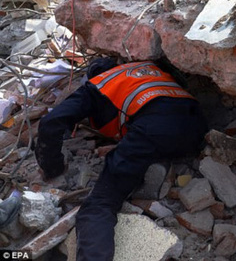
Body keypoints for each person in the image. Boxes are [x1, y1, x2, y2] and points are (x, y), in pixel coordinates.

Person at [35, 59, 208, 261]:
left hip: (152, 129)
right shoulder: (148, 69)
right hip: (198, 128)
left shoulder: (100, 84)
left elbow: (50, 122)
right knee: (152, 143)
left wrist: (52, 167)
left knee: (99, 205)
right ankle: (160, 163)